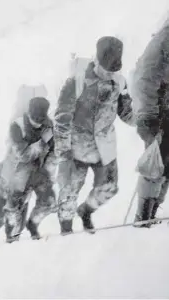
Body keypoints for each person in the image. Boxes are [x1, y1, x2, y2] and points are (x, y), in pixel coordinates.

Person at [54, 36, 135, 234]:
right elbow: (61, 120)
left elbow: (125, 113)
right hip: (76, 150)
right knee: (68, 193)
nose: (109, 73)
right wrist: (63, 153)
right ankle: (66, 230)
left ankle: (86, 211)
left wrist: (147, 121)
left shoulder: (120, 82)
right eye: (106, 68)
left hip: (104, 149)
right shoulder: (76, 82)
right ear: (96, 60)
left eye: (114, 69)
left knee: (109, 188)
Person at [0, 97, 57, 246]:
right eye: (34, 118)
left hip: (32, 176)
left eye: (40, 119)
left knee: (43, 204)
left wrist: (48, 170)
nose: (37, 122)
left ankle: (26, 229)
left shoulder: (47, 125)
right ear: (29, 113)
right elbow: (23, 155)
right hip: (10, 179)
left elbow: (54, 150)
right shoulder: (17, 126)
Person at [131, 19, 169, 226]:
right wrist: (147, 115)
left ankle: (152, 212)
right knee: (155, 164)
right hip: (156, 113)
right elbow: (145, 77)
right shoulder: (164, 40)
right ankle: (143, 217)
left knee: (167, 166)